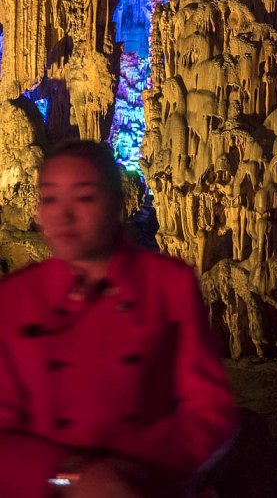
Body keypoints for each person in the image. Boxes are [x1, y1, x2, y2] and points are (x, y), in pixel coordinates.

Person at [0, 140, 238, 498]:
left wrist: (137, 476)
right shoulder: (16, 298)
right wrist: (67, 477)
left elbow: (209, 408)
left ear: (116, 203)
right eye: (50, 198)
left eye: (84, 197)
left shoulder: (166, 284)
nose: (63, 215)